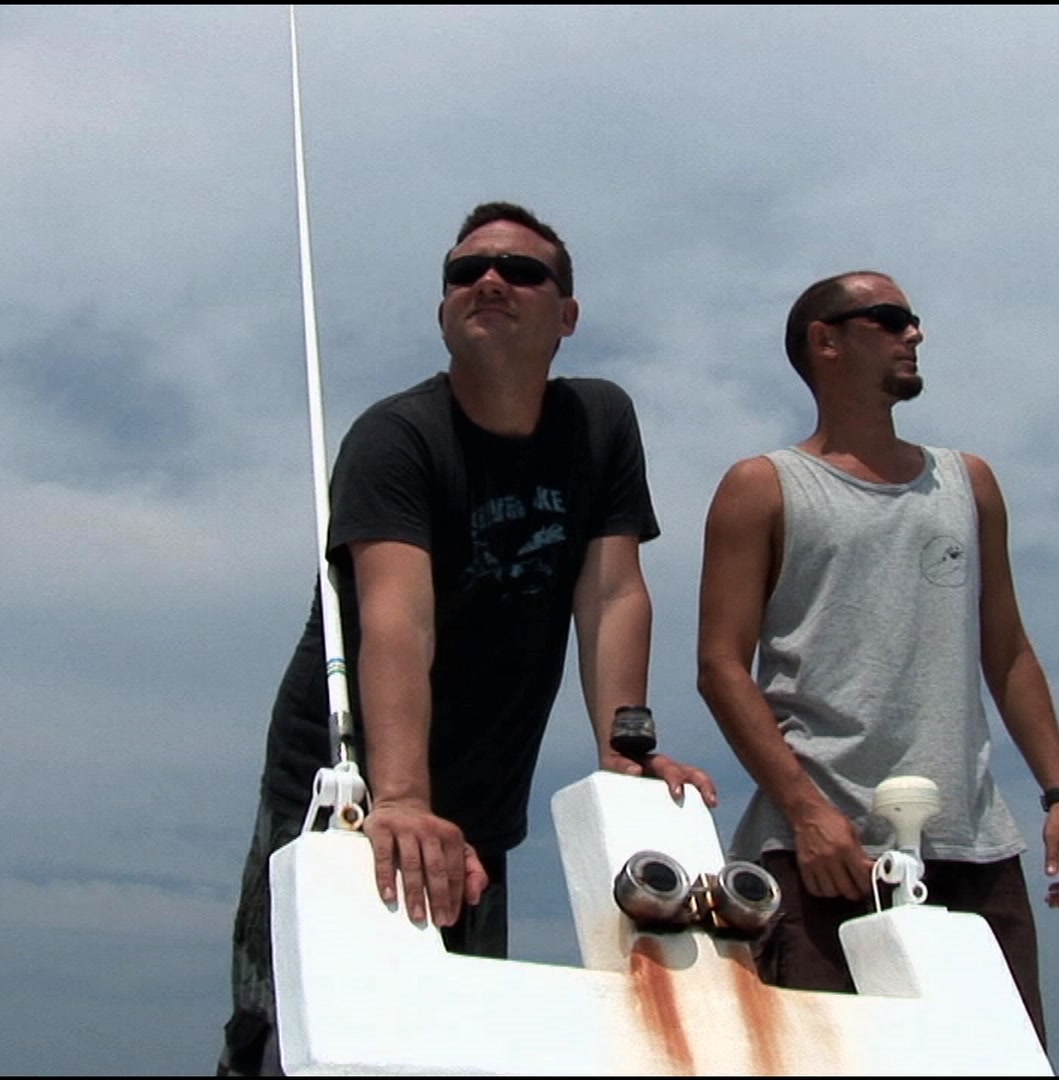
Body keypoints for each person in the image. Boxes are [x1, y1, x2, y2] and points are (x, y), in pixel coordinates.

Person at [219, 201, 717, 1076]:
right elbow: (397, 619)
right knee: (295, 1024)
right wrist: (401, 798)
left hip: (485, 789)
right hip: (344, 783)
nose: (489, 281)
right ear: (443, 308)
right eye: (466, 272)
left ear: (567, 315)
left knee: (453, 1027)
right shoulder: (396, 438)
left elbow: (611, 593)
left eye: (521, 271)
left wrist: (624, 749)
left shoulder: (600, 423)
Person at [695, 269, 1059, 1050]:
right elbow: (720, 666)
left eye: (912, 320)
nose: (914, 333)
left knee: (999, 1062)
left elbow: (1008, 649)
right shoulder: (763, 488)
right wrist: (809, 813)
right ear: (826, 341)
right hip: (821, 855)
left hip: (972, 848)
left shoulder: (968, 483)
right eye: (889, 318)